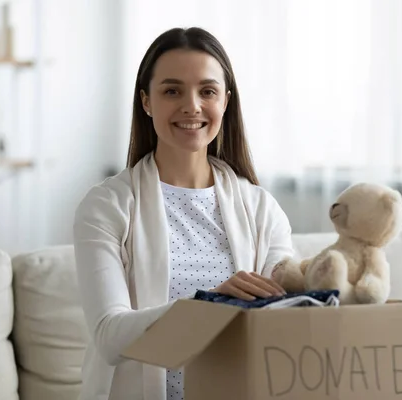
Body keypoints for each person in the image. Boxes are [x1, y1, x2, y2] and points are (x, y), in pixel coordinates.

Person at [73, 26, 295, 400]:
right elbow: (110, 337)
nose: (192, 106)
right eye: (172, 90)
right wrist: (208, 305)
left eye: (207, 91)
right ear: (146, 101)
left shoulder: (262, 209)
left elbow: (288, 316)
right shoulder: (106, 206)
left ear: (225, 100)